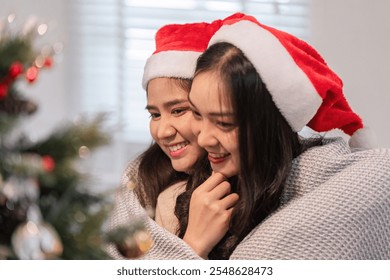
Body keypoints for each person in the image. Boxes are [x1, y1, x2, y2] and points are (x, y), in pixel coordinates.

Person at [177, 14, 389, 259]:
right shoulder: (193, 185)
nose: (203, 139)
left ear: (269, 123)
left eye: (223, 123)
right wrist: (193, 243)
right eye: (196, 113)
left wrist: (189, 250)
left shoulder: (336, 190)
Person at [106, 14, 245, 259]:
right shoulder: (160, 192)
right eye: (155, 115)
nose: (162, 131)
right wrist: (193, 244)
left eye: (178, 110)